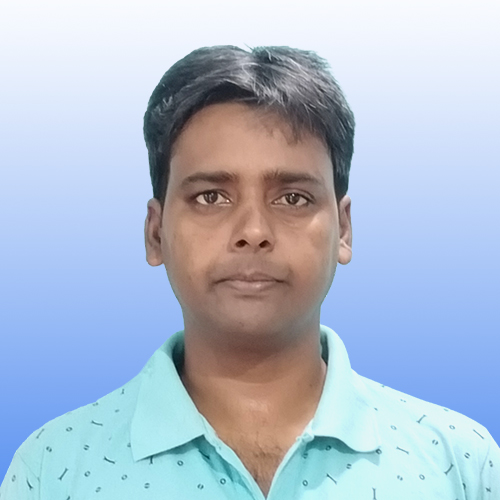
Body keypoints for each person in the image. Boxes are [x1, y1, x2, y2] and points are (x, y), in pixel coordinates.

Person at [1, 44, 498, 500]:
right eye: (210, 197)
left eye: (293, 198)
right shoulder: (53, 470)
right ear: (155, 233)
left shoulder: (460, 465)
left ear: (343, 229)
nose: (254, 231)